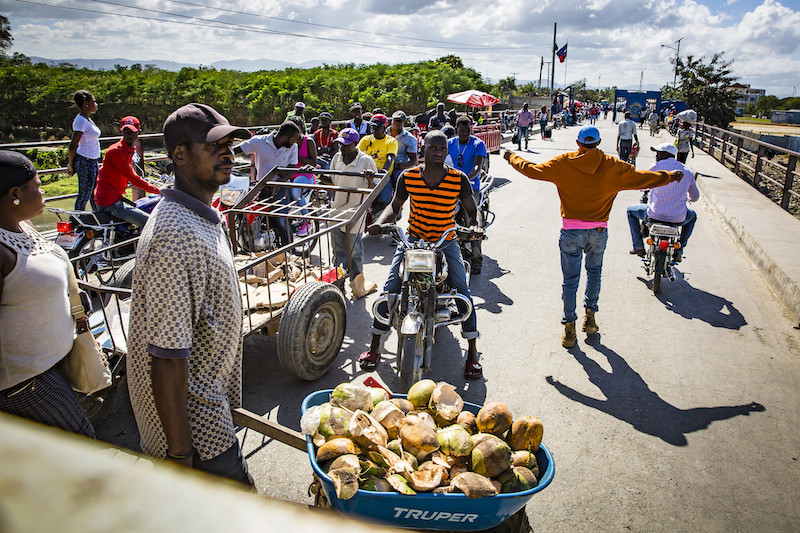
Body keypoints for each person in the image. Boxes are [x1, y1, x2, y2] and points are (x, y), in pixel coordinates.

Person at [127, 103, 255, 487]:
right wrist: (179, 455)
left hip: (210, 403)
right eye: (214, 146)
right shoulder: (175, 235)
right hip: (198, 428)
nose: (228, 154)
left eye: (230, 145)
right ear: (179, 154)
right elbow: (166, 357)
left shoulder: (202, 212)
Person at [503, 125, 683, 348]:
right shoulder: (613, 166)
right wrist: (669, 176)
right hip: (598, 232)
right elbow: (642, 178)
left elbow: (532, 170)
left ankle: (569, 329)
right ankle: (590, 319)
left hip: (570, 231)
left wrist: (511, 156)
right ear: (598, 144)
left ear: (578, 143)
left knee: (570, 281)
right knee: (594, 274)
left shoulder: (563, 163)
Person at [360, 131, 485, 379]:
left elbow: (473, 209)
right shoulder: (408, 177)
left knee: (462, 291)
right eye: (432, 148)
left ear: (446, 152)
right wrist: (380, 223)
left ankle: (472, 352)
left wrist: (476, 226)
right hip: (413, 240)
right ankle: (374, 347)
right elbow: (394, 207)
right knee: (390, 289)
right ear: (423, 149)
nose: (438, 152)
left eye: (441, 149)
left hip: (445, 241)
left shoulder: (458, 179)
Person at [0, 150, 95, 438]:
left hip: (51, 364)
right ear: (15, 193)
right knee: (81, 441)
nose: (43, 193)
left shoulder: (21, 227)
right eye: (38, 186)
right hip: (24, 381)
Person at [325, 128, 379, 299]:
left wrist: (370, 179)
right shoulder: (337, 158)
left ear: (356, 145)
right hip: (337, 208)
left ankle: (357, 285)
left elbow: (374, 189)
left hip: (355, 211)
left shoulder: (366, 161)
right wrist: (315, 174)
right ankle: (338, 285)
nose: (342, 148)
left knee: (354, 251)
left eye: (346, 145)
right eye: (340, 144)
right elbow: (331, 180)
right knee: (338, 251)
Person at [627, 143, 699, 262]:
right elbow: (695, 197)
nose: (656, 156)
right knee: (692, 216)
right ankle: (679, 250)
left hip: (654, 215)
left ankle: (638, 246)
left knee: (630, 211)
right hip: (677, 218)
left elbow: (641, 187)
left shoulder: (655, 167)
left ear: (667, 155)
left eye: (659, 153)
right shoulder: (687, 171)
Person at [94, 116, 161, 227]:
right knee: (151, 223)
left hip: (113, 198)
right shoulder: (116, 151)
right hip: (111, 203)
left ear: (138, 132)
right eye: (126, 131)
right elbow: (133, 179)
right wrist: (158, 190)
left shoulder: (129, 149)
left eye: (132, 131)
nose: (128, 134)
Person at [448, 116, 487, 274]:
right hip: (450, 186)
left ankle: (477, 260)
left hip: (470, 186)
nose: (465, 133)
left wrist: (465, 180)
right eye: (462, 130)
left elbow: (478, 167)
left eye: (468, 130)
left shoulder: (478, 144)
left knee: (473, 219)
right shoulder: (449, 143)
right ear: (456, 130)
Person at [67, 90, 102, 211]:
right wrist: (71, 164)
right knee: (84, 194)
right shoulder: (80, 120)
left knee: (94, 193)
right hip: (84, 160)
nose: (96, 104)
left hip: (92, 160)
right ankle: (76, 220)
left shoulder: (87, 120)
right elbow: (73, 145)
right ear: (86, 103)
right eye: (94, 101)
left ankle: (97, 218)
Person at [358, 114, 398, 213]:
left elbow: (390, 158)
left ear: (384, 128)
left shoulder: (391, 141)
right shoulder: (366, 139)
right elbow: (357, 153)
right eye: (373, 128)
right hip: (367, 174)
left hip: (383, 175)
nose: (374, 130)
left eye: (377, 128)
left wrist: (382, 172)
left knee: (384, 201)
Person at [287, 115, 318, 237]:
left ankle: (307, 220)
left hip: (305, 175)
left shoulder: (308, 141)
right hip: (291, 174)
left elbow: (314, 162)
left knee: (295, 191)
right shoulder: (288, 143)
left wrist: (297, 157)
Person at [389, 111, 419, 208]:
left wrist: (401, 166)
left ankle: (398, 203)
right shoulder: (384, 132)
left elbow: (414, 160)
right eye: (395, 120)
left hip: (399, 166)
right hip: (384, 163)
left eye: (399, 121)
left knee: (399, 177)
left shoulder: (409, 139)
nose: (397, 123)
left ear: (404, 122)